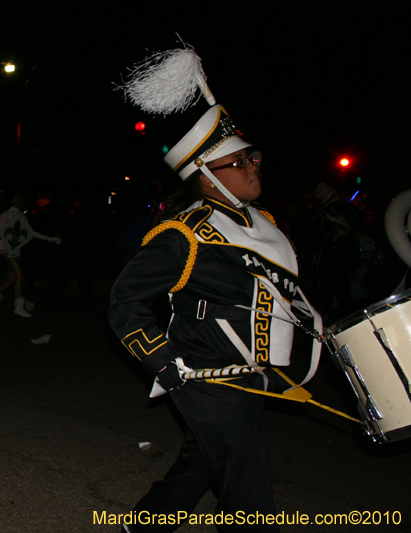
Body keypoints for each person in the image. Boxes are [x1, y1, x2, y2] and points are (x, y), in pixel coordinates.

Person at [109, 48, 318, 532]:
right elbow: (125, 301)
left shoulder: (262, 224)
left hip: (249, 376)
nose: (253, 165)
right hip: (205, 377)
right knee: (249, 491)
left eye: (252, 156)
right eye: (239, 160)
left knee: (204, 462)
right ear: (207, 178)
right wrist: (165, 364)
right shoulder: (187, 234)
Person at [0, 193, 60, 317]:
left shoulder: (20, 215)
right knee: (19, 274)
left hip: (14, 248)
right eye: (17, 197)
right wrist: (8, 231)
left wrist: (49, 238)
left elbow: (30, 232)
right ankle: (18, 306)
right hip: (6, 247)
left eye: (21, 197)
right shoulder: (6, 214)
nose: (19, 199)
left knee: (12, 278)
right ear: (11, 200)